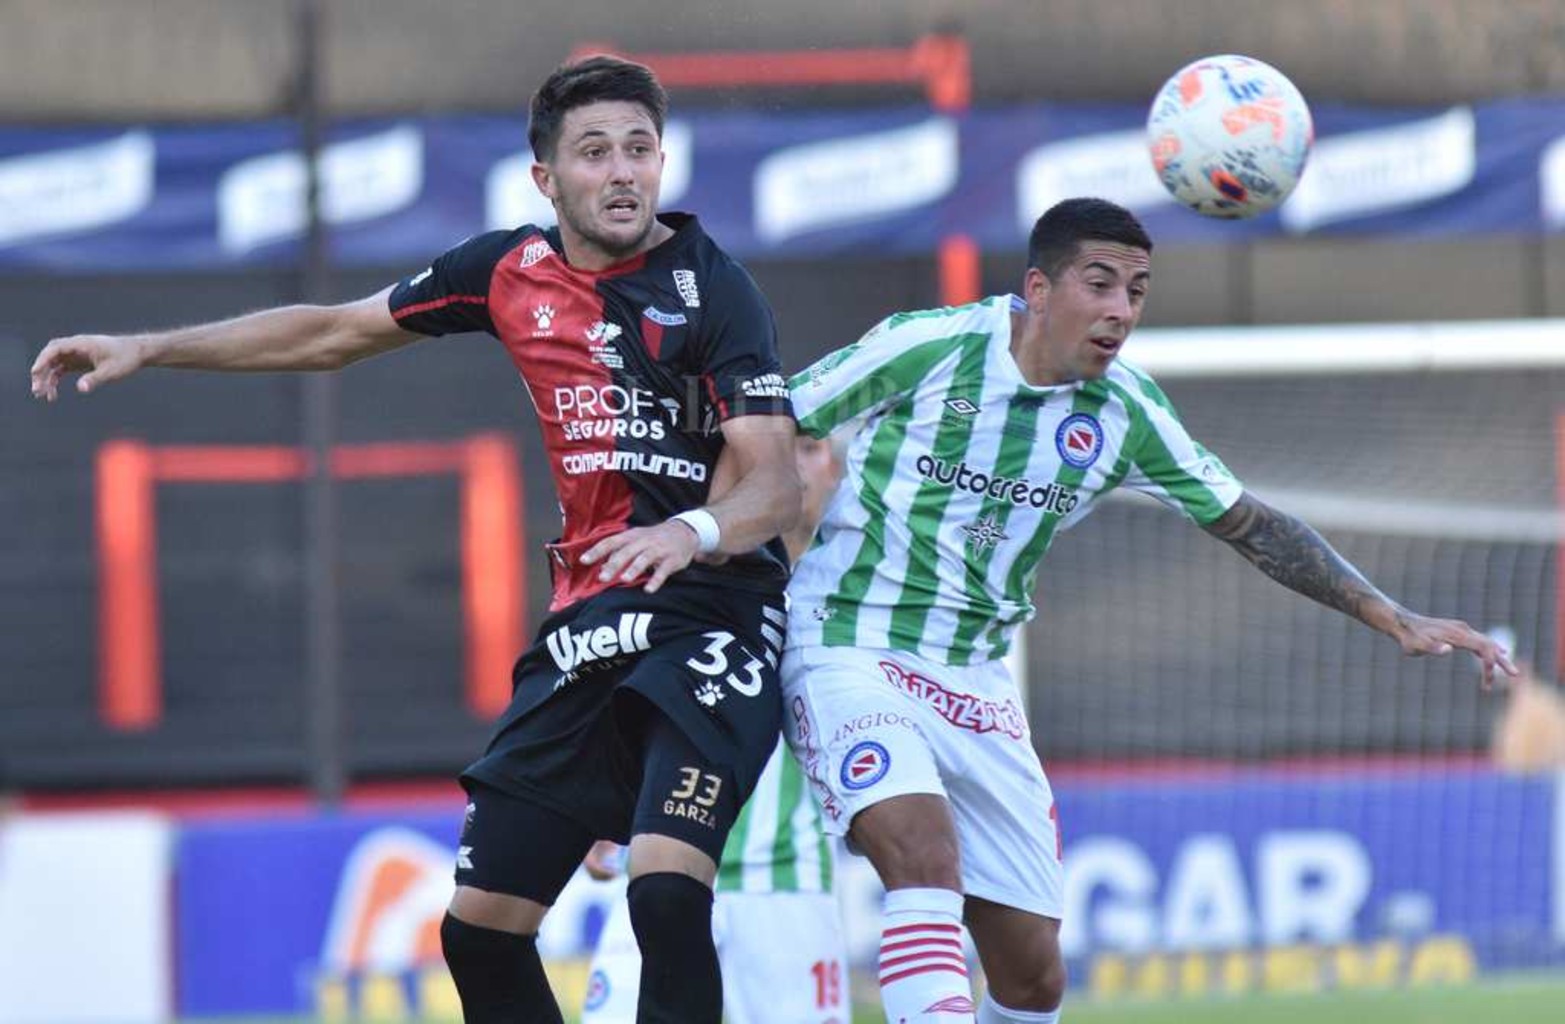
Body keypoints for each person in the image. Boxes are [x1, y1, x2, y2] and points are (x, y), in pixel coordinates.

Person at [30, 56, 802, 1024]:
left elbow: (773, 478)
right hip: (588, 620)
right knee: (478, 930)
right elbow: (331, 332)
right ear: (545, 179)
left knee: (663, 888)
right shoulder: (506, 271)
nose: (621, 173)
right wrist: (151, 347)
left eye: (639, 151)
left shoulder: (713, 289)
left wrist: (690, 533)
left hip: (711, 613)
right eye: (594, 152)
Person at [777, 197, 1517, 1024]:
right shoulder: (931, 346)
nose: (1120, 311)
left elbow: (1253, 525)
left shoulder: (1125, 414)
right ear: (1039, 288)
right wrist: (698, 543)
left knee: (1032, 980)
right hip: (847, 641)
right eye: (1100, 284)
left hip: (973, 680)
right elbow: (766, 420)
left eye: (1136, 290)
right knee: (922, 855)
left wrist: (1391, 615)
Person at [578, 434, 850, 1024]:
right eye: (778, 449)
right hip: (659, 863)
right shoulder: (684, 574)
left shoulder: (855, 600)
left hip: (785, 879)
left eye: (805, 447)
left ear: (835, 466)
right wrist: (597, 805)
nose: (791, 467)